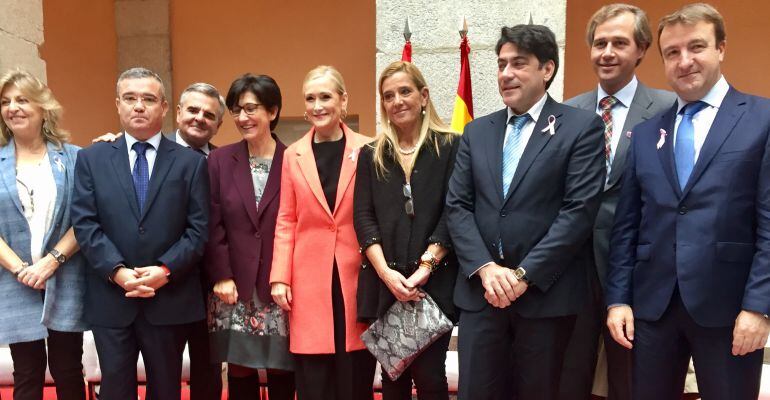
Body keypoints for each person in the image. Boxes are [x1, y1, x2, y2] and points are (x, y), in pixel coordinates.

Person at [605, 3, 770, 399]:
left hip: (730, 310)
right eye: (672, 52)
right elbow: (627, 225)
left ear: (721, 49)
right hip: (652, 309)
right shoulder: (646, 134)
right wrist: (617, 301)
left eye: (696, 47)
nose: (684, 61)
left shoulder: (761, 119)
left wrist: (759, 307)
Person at [446, 25, 606, 400]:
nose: (506, 73)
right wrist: (486, 269)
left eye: (518, 64)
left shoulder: (581, 128)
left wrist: (523, 275)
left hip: (546, 300)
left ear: (547, 69)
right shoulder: (476, 132)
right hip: (482, 296)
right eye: (501, 64)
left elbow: (578, 211)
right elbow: (457, 206)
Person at [559, 5, 676, 400]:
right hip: (572, 271)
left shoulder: (668, 110)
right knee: (570, 377)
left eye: (619, 43)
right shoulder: (566, 113)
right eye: (599, 43)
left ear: (642, 49)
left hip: (637, 272)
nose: (606, 52)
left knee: (630, 379)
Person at [71, 67, 209, 399]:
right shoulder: (92, 159)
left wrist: (165, 270)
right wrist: (117, 272)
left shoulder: (191, 163)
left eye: (148, 98)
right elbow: (85, 223)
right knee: (115, 390)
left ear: (164, 107)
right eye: (130, 98)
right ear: (118, 105)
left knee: (166, 390)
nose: (139, 106)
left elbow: (198, 228)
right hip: (112, 297)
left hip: (169, 298)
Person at [354, 61, 459, 400]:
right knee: (392, 376)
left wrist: (426, 267)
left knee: (430, 376)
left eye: (405, 91)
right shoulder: (372, 154)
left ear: (423, 95)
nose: (396, 100)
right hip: (386, 284)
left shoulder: (451, 147)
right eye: (388, 95)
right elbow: (363, 217)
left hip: (435, 284)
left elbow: (454, 211)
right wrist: (387, 275)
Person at [270, 65, 376, 400]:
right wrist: (279, 277)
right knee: (314, 380)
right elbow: (286, 218)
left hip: (356, 275)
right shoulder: (292, 155)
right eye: (311, 98)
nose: (318, 105)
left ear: (343, 100)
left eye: (326, 97)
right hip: (308, 279)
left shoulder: (369, 148)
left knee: (354, 374)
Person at [205, 73, 295, 399]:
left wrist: (286, 275)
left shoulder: (295, 160)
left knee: (282, 369)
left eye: (251, 108)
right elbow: (212, 222)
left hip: (280, 283)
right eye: (236, 110)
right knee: (240, 371)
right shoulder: (218, 161)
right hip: (233, 286)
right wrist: (221, 274)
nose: (242, 117)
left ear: (272, 111)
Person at [0, 70, 88, 400]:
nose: (13, 108)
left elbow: (86, 220)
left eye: (22, 100)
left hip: (64, 276)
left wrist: (51, 263)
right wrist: (22, 270)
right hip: (15, 282)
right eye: (6, 102)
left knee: (68, 368)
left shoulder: (75, 157)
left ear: (43, 108)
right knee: (26, 371)